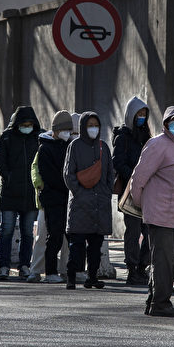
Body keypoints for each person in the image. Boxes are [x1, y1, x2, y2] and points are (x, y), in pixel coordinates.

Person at [131, 106, 174, 317]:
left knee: (168, 260)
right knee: (164, 260)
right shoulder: (158, 144)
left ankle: (154, 299)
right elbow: (139, 178)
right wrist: (141, 204)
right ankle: (161, 303)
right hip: (160, 213)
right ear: (165, 125)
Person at [63, 111, 113, 290]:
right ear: (83, 127)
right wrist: (79, 192)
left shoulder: (103, 146)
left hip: (100, 204)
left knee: (96, 245)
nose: (93, 128)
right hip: (80, 204)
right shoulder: (75, 146)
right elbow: (68, 174)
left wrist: (106, 192)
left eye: (96, 125)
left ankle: (92, 277)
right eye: (90, 125)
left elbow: (110, 174)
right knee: (76, 244)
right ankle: (71, 276)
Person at [0, 106, 41, 280]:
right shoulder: (6, 137)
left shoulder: (38, 138)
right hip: (9, 193)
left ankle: (24, 266)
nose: (27, 126)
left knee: (28, 232)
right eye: (24, 123)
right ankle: (4, 266)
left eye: (30, 123)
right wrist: (9, 177)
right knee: (6, 231)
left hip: (30, 193)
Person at [112, 96, 151, 285]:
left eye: (144, 114)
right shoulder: (123, 137)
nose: (142, 118)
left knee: (150, 230)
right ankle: (132, 268)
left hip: (148, 191)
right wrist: (135, 177)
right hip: (130, 191)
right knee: (133, 232)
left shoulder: (147, 136)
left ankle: (143, 266)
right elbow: (118, 162)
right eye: (139, 114)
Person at [38, 110, 74, 284]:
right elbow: (49, 176)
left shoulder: (69, 146)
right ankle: (50, 271)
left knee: (72, 237)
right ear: (57, 130)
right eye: (65, 129)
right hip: (53, 198)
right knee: (54, 236)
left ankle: (72, 270)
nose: (68, 132)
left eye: (70, 129)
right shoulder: (45, 148)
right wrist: (69, 185)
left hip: (67, 197)